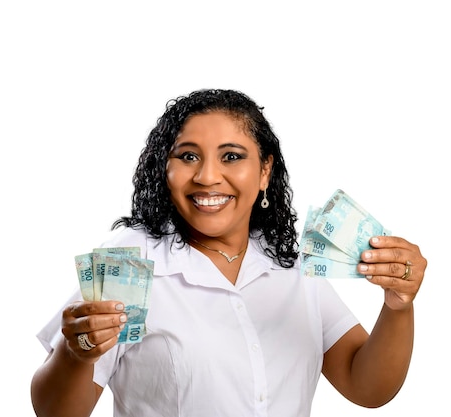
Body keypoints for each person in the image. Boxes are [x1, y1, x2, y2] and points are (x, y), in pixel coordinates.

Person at [30, 89, 426, 417]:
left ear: (265, 172)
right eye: (188, 156)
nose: (206, 176)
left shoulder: (290, 262)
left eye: (231, 156)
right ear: (164, 169)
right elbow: (54, 411)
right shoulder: (130, 260)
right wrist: (75, 354)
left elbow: (367, 387)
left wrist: (398, 306)